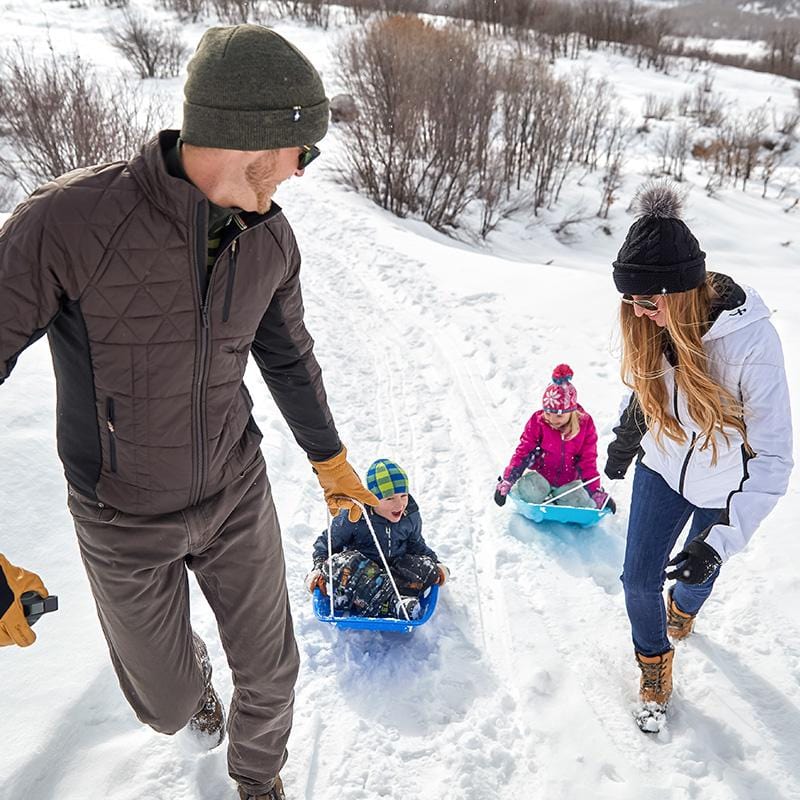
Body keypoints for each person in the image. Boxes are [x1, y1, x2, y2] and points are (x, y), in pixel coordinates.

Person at [0, 25, 379, 800]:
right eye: (301, 151)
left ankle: (258, 781)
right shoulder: (69, 223)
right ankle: (194, 686)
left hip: (233, 491)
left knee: (272, 671)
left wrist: (331, 461)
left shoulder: (271, 239)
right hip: (121, 514)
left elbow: (289, 358)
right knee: (166, 707)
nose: (301, 171)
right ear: (253, 138)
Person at [605, 181, 793, 733]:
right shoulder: (655, 324)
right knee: (637, 582)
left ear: (681, 292)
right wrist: (627, 439)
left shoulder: (752, 344)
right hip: (660, 470)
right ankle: (654, 662)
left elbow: (775, 458)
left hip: (724, 487)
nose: (640, 314)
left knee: (695, 573)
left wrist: (718, 545)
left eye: (647, 302)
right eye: (631, 302)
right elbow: (646, 390)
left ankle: (684, 609)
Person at [306, 458, 449, 619]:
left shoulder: (410, 515)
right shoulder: (355, 514)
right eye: (390, 498)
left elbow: (416, 545)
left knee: (427, 567)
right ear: (372, 499)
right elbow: (327, 544)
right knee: (341, 563)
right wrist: (318, 568)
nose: (399, 505)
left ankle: (379, 599)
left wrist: (436, 564)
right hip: (361, 575)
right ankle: (393, 603)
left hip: (395, 573)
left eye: (403, 495)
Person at [494, 365, 614, 512]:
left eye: (558, 415)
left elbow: (588, 461)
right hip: (541, 477)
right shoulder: (538, 422)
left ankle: (560, 497)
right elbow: (524, 452)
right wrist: (508, 480)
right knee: (529, 492)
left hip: (569, 483)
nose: (551, 419)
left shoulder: (585, 426)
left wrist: (595, 492)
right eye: (548, 413)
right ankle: (535, 491)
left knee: (582, 503)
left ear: (571, 411)